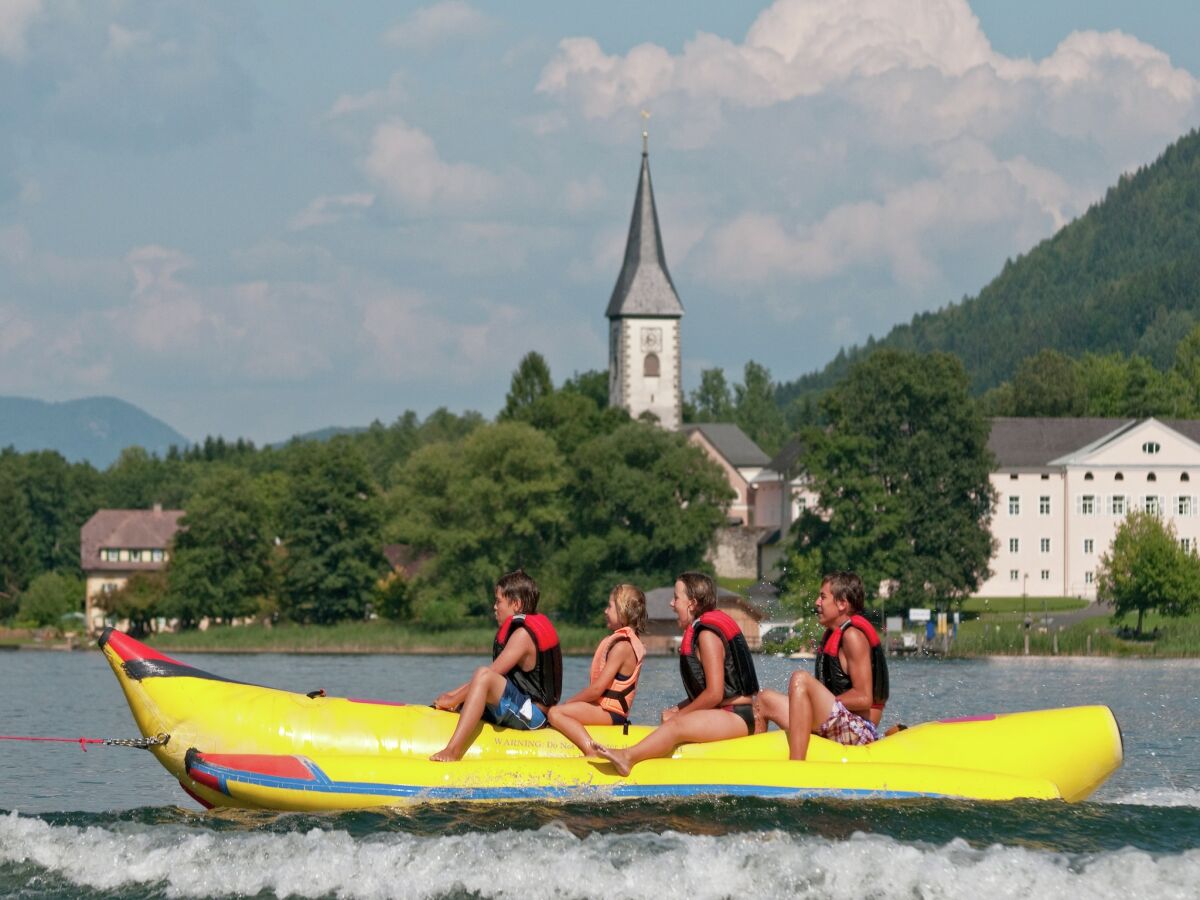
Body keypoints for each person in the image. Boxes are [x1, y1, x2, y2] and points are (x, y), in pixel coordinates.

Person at [593, 572, 760, 777]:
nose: (672, 604)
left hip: (735, 715)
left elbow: (715, 694)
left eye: (676, 598)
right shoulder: (703, 631)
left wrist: (680, 716)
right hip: (724, 712)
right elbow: (710, 694)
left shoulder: (707, 636)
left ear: (691, 603)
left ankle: (627, 758)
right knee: (671, 716)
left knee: (677, 724)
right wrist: (676, 708)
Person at [430, 569, 562, 762]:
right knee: (479, 679)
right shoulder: (521, 631)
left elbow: (489, 675)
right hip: (520, 705)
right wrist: (452, 695)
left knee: (483, 674)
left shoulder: (522, 636)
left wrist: (453, 700)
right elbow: (484, 681)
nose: (494, 607)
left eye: (498, 601)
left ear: (516, 604)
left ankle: (453, 751)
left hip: (533, 716)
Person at [756, 571, 889, 760]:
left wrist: (816, 702)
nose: (817, 603)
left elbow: (864, 697)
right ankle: (752, 761)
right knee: (764, 700)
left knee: (800, 680)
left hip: (859, 731)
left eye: (823, 597)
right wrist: (812, 704)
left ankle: (797, 768)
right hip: (836, 720)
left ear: (842, 603)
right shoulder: (833, 635)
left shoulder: (853, 637)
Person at [547, 584, 647, 756]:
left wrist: (569, 703)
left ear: (623, 612)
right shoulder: (621, 642)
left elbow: (596, 690)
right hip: (605, 711)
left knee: (555, 712)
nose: (605, 611)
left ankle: (590, 750)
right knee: (560, 711)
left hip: (610, 714)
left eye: (609, 606)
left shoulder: (623, 647)